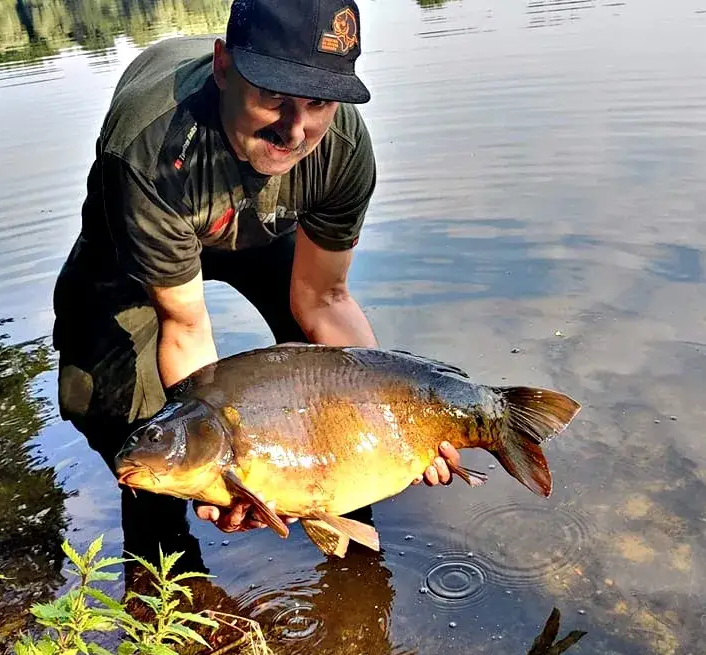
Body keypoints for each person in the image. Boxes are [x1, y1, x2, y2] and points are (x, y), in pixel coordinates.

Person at [51, 0, 462, 539]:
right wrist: (219, 470)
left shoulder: (340, 149)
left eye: (319, 102)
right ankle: (163, 578)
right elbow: (186, 326)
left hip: (265, 223)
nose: (296, 130)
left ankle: (352, 552)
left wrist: (393, 424)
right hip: (147, 233)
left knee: (322, 392)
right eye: (274, 96)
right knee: (142, 426)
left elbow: (323, 299)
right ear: (224, 67)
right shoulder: (147, 150)